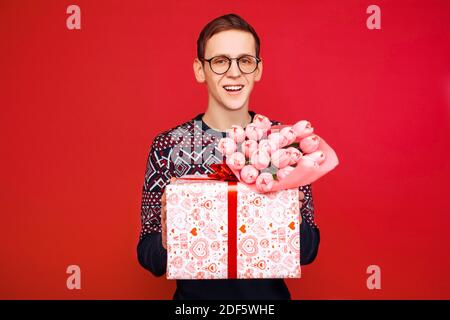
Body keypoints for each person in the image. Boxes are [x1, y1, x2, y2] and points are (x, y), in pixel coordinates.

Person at [137, 13, 320, 300]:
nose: (234, 72)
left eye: (245, 60)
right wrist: (167, 235)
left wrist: (292, 216)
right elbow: (149, 258)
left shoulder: (283, 143)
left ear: (258, 69)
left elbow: (308, 252)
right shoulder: (168, 146)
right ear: (200, 70)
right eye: (220, 61)